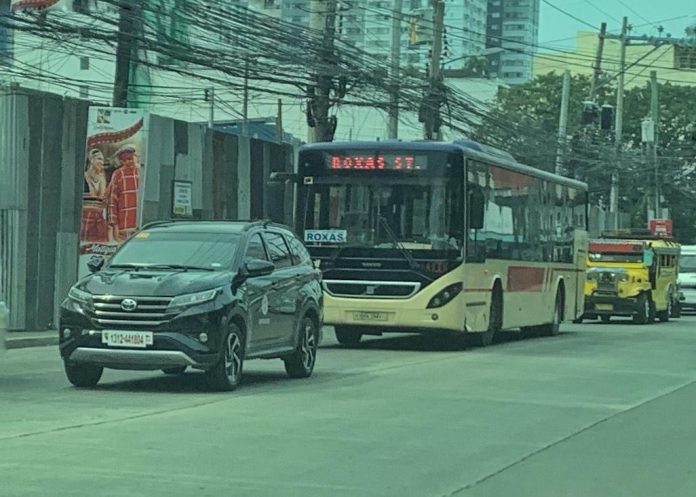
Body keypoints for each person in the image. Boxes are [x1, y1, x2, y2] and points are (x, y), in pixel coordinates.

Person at [107, 144, 140, 242]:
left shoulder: (143, 172)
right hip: (124, 225)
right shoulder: (118, 174)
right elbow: (112, 201)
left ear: (135, 157)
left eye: (130, 158)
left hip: (141, 225)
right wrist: (114, 226)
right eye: (124, 160)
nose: (127, 162)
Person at [80, 149, 108, 243]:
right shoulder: (83, 178)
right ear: (91, 160)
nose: (102, 162)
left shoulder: (102, 179)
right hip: (85, 219)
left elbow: (104, 200)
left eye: (103, 160)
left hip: (99, 221)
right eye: (99, 159)